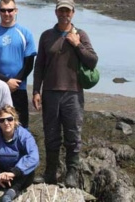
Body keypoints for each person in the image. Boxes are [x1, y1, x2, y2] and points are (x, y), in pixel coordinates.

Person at [32, 0, 98, 188]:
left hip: (73, 93)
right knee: (51, 135)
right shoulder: (46, 36)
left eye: (67, 11)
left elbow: (92, 61)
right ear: (56, 12)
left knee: (73, 135)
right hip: (50, 93)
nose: (64, 14)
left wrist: (77, 44)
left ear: (73, 13)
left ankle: (71, 174)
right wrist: (36, 90)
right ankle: (50, 173)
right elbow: (39, 67)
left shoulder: (81, 35)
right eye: (61, 10)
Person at [0, 0, 36, 128]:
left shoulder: (25, 33)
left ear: (16, 11)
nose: (7, 13)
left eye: (10, 10)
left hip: (19, 88)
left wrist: (15, 82)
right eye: (3, 10)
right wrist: (6, 81)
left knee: (20, 127)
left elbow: (29, 64)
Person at [0, 105, 39, 202]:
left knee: (30, 169)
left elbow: (34, 156)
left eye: (9, 119)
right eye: (2, 120)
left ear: (15, 120)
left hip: (16, 175)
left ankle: (11, 193)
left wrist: (14, 172)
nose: (6, 123)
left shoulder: (24, 134)